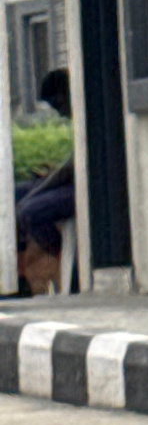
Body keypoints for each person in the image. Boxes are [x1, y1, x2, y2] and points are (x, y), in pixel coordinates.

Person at [13, 68, 75, 296]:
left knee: (29, 211)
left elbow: (70, 171)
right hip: (68, 180)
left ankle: (58, 262)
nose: (60, 113)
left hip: (81, 187)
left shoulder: (88, 115)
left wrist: (41, 188)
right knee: (14, 195)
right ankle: (17, 272)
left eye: (58, 105)